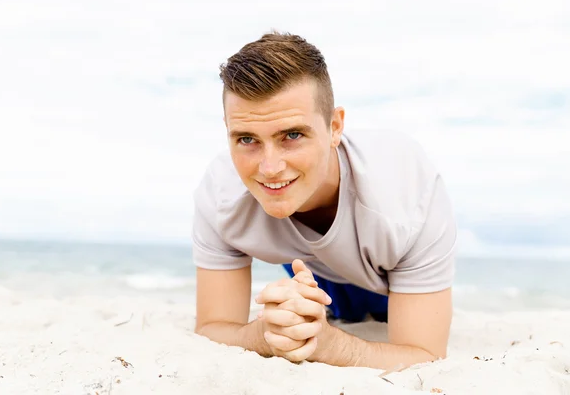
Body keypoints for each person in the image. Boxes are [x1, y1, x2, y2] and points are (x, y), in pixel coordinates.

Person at [191, 31, 457, 371]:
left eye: (292, 135)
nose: (270, 168)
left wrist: (331, 345)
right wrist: (262, 335)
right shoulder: (221, 194)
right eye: (247, 139)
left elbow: (424, 354)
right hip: (306, 267)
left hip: (384, 278)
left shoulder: (406, 193)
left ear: (335, 126)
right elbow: (211, 328)